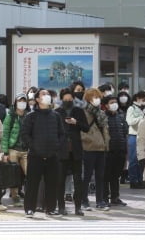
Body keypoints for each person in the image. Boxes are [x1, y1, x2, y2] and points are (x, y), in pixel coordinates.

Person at [21, 88, 64, 218]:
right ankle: (29, 209)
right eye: (43, 94)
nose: (47, 96)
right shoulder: (31, 116)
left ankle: (50, 208)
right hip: (35, 155)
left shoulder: (56, 115)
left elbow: (62, 134)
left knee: (52, 183)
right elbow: (25, 134)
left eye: (48, 94)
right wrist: (33, 147)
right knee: (32, 183)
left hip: (52, 155)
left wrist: (56, 146)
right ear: (38, 99)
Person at [55, 88, 89, 216]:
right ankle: (61, 207)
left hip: (76, 149)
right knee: (60, 180)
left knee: (78, 180)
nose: (68, 100)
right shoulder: (57, 112)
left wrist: (76, 122)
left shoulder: (78, 111)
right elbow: (54, 130)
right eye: (66, 98)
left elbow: (86, 128)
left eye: (70, 98)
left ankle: (78, 207)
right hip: (62, 149)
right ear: (62, 99)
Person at [80, 88, 110, 211]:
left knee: (100, 176)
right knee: (86, 175)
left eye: (98, 97)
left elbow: (105, 129)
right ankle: (84, 200)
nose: (97, 99)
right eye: (94, 97)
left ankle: (100, 201)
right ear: (88, 99)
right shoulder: (83, 112)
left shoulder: (101, 112)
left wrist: (106, 143)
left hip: (101, 148)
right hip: (88, 147)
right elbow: (81, 130)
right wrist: (89, 140)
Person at [1, 93, 29, 207]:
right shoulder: (10, 116)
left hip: (26, 150)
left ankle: (30, 195)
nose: (22, 103)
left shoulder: (29, 115)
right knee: (14, 173)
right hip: (13, 149)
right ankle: (15, 196)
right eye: (20, 101)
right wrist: (5, 152)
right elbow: (5, 134)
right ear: (15, 102)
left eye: (24, 101)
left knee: (30, 173)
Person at [103, 95, 128, 207]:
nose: (114, 104)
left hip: (120, 150)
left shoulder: (121, 116)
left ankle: (115, 197)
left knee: (116, 175)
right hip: (108, 151)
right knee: (106, 175)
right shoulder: (103, 117)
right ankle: (104, 198)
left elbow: (125, 132)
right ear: (106, 105)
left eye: (115, 102)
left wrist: (125, 149)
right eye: (111, 102)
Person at [126, 91, 145, 189]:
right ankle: (133, 180)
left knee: (142, 160)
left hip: (144, 137)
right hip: (133, 135)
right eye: (142, 99)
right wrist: (141, 117)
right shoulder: (131, 108)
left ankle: (141, 180)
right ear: (136, 99)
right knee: (133, 160)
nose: (144, 101)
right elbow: (130, 121)